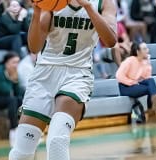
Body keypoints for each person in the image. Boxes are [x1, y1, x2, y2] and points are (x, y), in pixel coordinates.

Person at [9, 0, 117, 159]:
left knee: (57, 141)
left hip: (77, 74)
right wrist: (38, 9)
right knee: (21, 153)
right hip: (44, 74)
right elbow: (34, 47)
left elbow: (110, 41)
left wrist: (88, 7)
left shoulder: (104, 2)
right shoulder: (52, 2)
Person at [116, 41, 156, 116]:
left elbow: (147, 77)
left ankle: (154, 105)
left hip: (135, 84)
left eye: (147, 48)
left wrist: (147, 62)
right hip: (125, 87)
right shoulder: (130, 60)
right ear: (138, 52)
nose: (147, 50)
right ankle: (152, 111)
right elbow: (119, 75)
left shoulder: (143, 61)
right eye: (145, 49)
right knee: (150, 89)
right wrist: (132, 82)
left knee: (151, 81)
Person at [0, 52, 23, 146]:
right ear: (6, 63)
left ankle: (23, 127)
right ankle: (13, 130)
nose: (16, 65)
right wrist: (13, 78)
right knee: (12, 100)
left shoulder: (12, 72)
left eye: (18, 62)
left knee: (19, 99)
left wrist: (15, 79)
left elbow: (18, 92)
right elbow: (5, 90)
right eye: (14, 62)